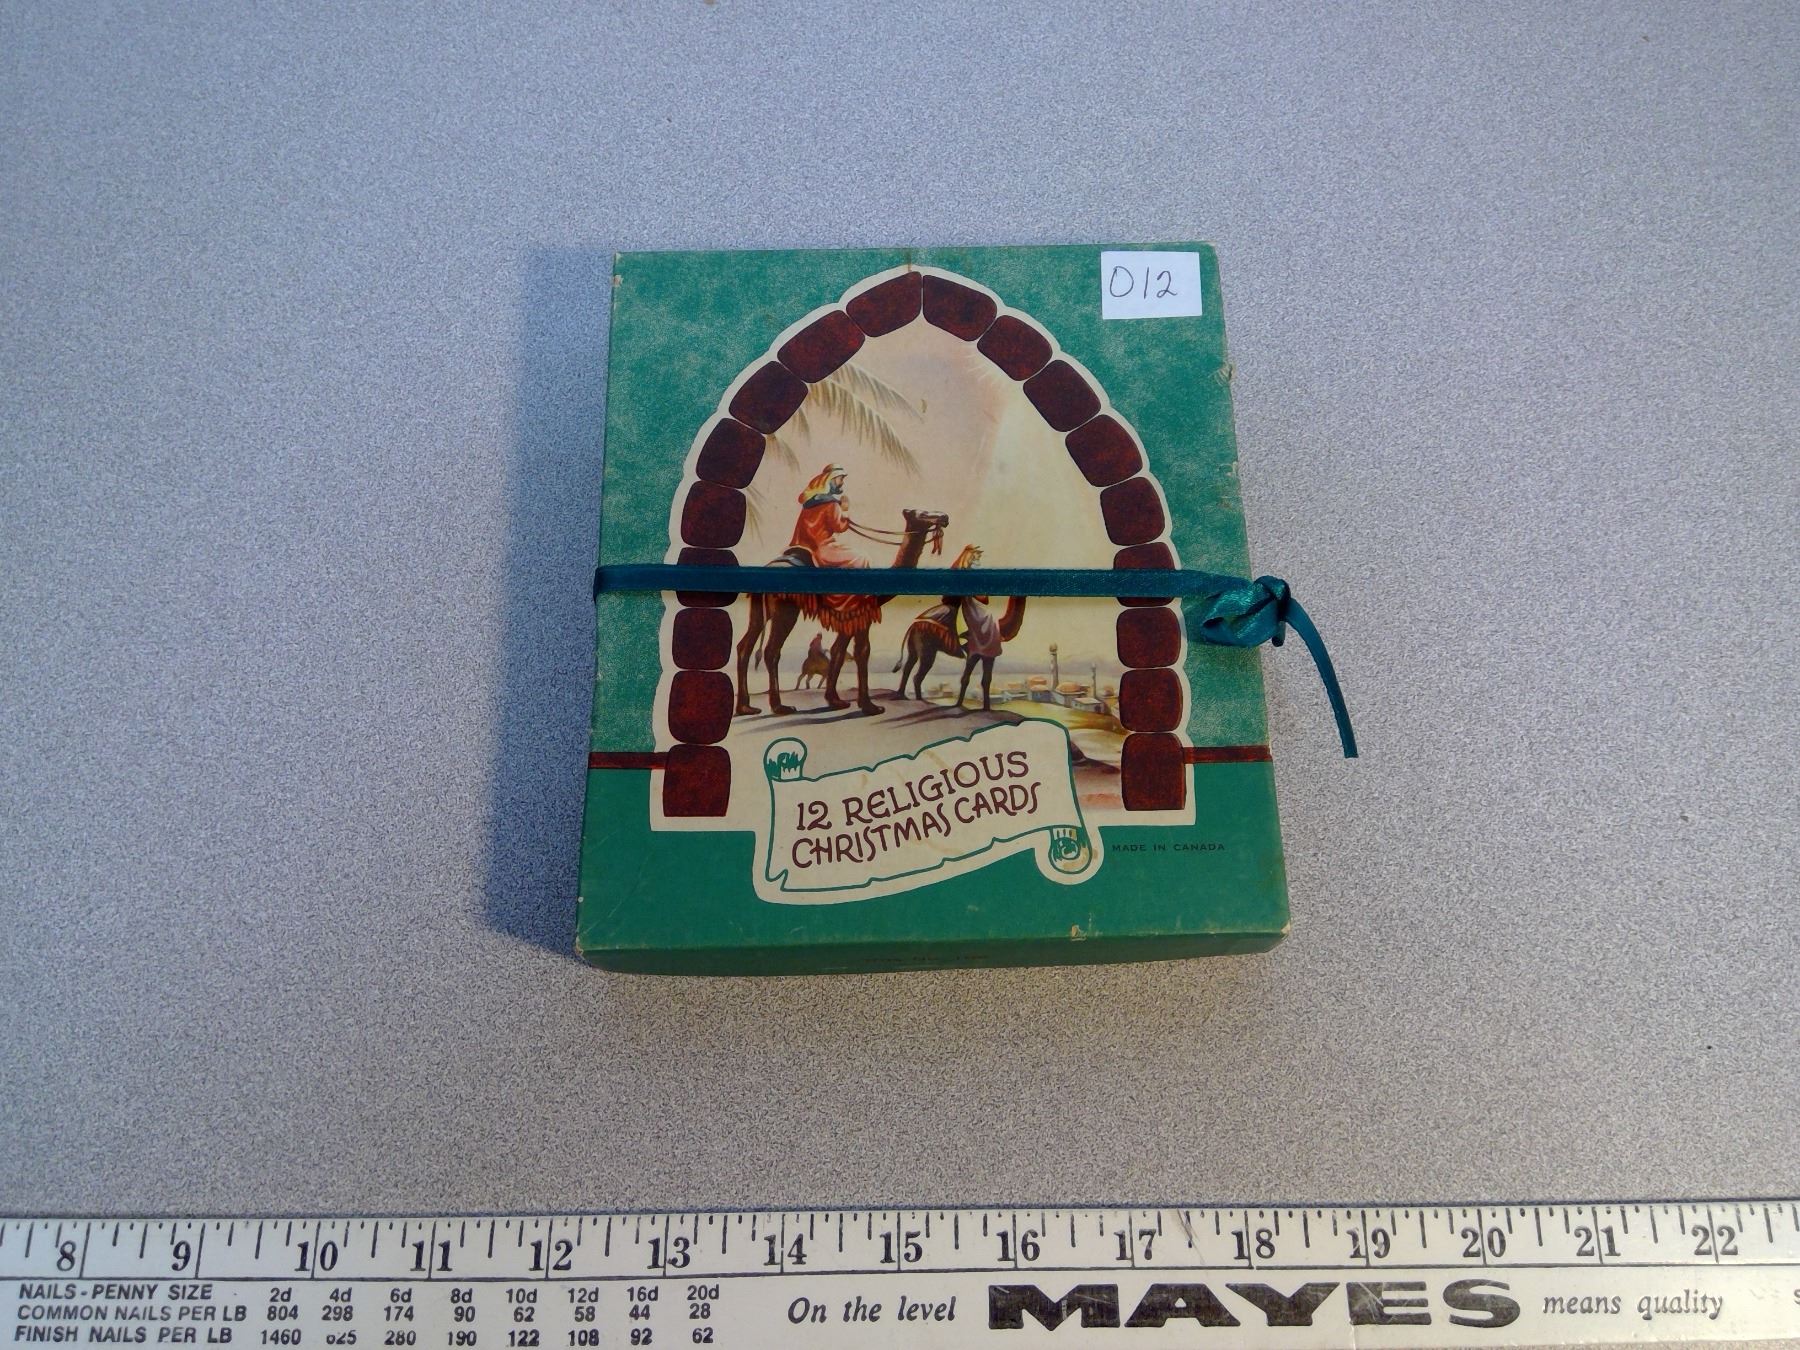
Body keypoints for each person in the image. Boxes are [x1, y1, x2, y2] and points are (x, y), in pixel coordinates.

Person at [788, 464, 868, 569]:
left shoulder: (809, 501)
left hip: (802, 546)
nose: (842, 483)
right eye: (841, 479)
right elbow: (839, 527)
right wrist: (845, 511)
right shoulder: (831, 504)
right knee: (861, 558)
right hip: (823, 549)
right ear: (832, 479)